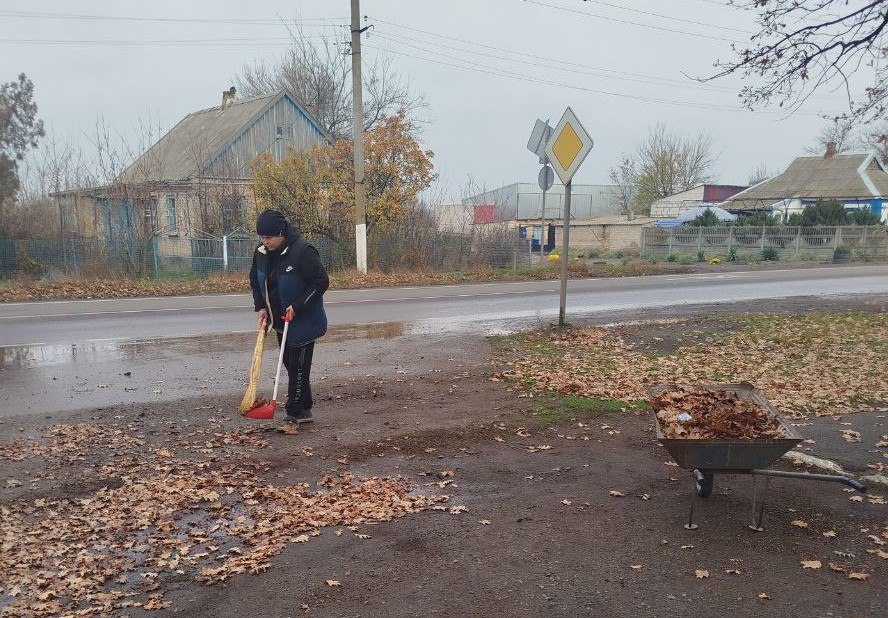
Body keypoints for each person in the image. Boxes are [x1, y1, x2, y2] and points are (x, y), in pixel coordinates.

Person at [249, 210, 329, 428]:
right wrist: (261, 307)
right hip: (280, 320)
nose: (265, 242)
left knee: (298, 369)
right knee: (290, 365)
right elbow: (255, 281)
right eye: (262, 238)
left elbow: (321, 282)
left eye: (269, 238)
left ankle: (294, 413)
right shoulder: (262, 253)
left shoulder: (303, 252)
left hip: (303, 321)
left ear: (282, 233)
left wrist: (298, 306)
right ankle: (305, 406)